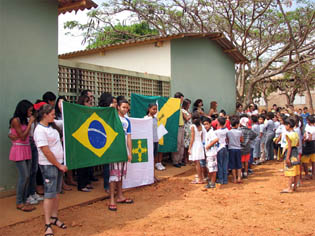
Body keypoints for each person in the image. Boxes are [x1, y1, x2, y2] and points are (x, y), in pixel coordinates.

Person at [34, 104, 68, 236]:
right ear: (45, 115)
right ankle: (47, 223)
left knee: (56, 192)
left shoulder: (52, 125)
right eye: (52, 114)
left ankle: (54, 217)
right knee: (49, 194)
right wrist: (59, 165)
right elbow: (46, 152)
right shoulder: (39, 130)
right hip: (49, 165)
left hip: (58, 163)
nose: (54, 117)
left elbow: (67, 121)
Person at [9, 100, 36, 212]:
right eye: (29, 110)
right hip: (19, 149)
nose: (31, 112)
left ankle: (24, 200)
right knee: (23, 176)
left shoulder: (25, 120)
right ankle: (19, 202)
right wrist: (30, 124)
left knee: (28, 175)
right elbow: (23, 136)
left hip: (26, 148)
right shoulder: (16, 120)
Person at [108, 99, 133, 211]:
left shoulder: (127, 120)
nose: (125, 109)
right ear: (118, 107)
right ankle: (112, 199)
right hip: (114, 150)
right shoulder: (113, 118)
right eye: (123, 107)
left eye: (127, 107)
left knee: (121, 174)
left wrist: (130, 152)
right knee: (113, 175)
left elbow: (128, 137)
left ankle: (120, 196)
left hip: (124, 151)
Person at [76, 95, 94, 192]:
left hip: (89, 140)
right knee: (82, 165)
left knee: (88, 164)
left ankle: (87, 182)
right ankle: (81, 185)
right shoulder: (79, 114)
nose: (89, 104)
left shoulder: (89, 113)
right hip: (82, 142)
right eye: (87, 102)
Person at [98, 92, 115, 192]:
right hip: (103, 139)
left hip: (111, 138)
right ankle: (107, 185)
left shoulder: (113, 110)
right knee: (107, 165)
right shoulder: (101, 111)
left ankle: (112, 184)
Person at [281, 117, 300, 193]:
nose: (285, 127)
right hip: (295, 151)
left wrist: (287, 157)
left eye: (285, 125)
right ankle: (294, 186)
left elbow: (289, 147)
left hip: (290, 152)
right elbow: (298, 143)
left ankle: (289, 188)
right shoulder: (295, 133)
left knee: (290, 171)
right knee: (295, 171)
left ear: (288, 125)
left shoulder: (288, 135)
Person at [144, 104, 163, 171]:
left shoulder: (156, 119)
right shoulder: (145, 118)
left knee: (154, 155)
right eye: (153, 109)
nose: (155, 111)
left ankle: (152, 172)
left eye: (156, 109)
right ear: (149, 109)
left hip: (156, 140)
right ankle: (148, 171)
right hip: (149, 141)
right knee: (149, 156)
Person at [188, 112, 205, 184]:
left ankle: (200, 179)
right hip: (200, 144)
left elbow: (192, 138)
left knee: (197, 163)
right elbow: (201, 137)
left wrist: (189, 148)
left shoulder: (192, 126)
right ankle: (201, 177)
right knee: (199, 163)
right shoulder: (201, 126)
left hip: (195, 144)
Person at [203, 117, 219, 188]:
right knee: (210, 168)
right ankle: (211, 182)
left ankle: (212, 183)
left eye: (207, 124)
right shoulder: (208, 132)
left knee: (213, 169)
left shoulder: (211, 132)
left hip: (212, 153)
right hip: (209, 153)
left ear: (210, 124)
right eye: (204, 124)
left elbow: (216, 139)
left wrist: (208, 146)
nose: (205, 126)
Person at [227, 116, 243, 184]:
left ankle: (234, 178)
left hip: (231, 149)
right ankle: (239, 177)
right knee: (239, 164)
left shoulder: (228, 132)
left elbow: (227, 140)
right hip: (238, 149)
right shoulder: (240, 132)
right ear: (237, 124)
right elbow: (242, 140)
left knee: (233, 165)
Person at [214, 117, 229, 184]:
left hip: (219, 148)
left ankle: (220, 179)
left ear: (219, 123)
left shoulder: (216, 132)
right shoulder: (227, 130)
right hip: (225, 147)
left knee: (219, 164)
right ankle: (225, 179)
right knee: (225, 164)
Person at [172, 92, 185, 168]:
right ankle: (175, 161)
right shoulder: (174, 106)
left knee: (182, 144)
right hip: (177, 126)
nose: (182, 101)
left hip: (182, 125)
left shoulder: (180, 106)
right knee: (178, 144)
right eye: (181, 99)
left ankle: (180, 160)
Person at [301, 115, 315, 179]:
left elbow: (309, 138)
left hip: (309, 144)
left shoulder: (312, 129)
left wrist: (304, 140)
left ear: (309, 121)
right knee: (313, 160)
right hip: (313, 143)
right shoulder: (308, 126)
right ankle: (313, 174)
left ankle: (307, 174)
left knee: (304, 160)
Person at [182, 99, 192, 165]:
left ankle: (188, 158)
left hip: (189, 129)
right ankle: (185, 159)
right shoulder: (182, 111)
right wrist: (191, 115)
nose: (189, 106)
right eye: (188, 104)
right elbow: (186, 118)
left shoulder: (187, 111)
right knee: (185, 145)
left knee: (189, 144)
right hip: (185, 129)